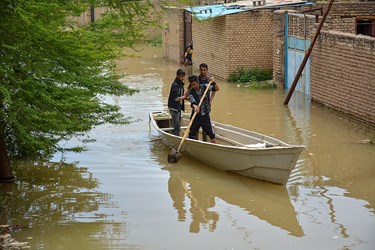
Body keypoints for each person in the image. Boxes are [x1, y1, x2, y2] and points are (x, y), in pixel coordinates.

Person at [187, 75, 217, 143]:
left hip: (205, 116)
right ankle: (190, 147)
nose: (193, 86)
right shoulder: (191, 92)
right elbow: (192, 102)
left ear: (198, 82)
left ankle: (216, 146)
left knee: (211, 134)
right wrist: (195, 107)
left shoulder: (205, 86)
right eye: (192, 85)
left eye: (194, 84)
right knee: (191, 134)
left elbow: (216, 89)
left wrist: (213, 82)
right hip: (196, 116)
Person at [197, 63, 219, 141]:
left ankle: (204, 140)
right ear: (199, 70)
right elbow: (189, 90)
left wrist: (211, 100)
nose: (203, 72)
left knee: (206, 126)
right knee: (195, 125)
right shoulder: (196, 80)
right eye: (201, 70)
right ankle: (195, 141)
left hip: (206, 107)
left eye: (204, 70)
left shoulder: (209, 81)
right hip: (197, 107)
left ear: (207, 70)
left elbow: (216, 89)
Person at [168, 69, 187, 136]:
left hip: (178, 107)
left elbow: (181, 95)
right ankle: (176, 137)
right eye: (181, 76)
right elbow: (176, 99)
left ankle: (175, 134)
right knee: (177, 126)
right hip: (174, 108)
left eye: (183, 76)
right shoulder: (175, 85)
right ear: (177, 76)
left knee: (177, 124)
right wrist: (185, 96)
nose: (182, 78)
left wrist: (185, 97)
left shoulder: (180, 84)